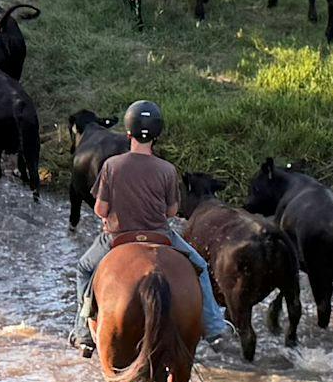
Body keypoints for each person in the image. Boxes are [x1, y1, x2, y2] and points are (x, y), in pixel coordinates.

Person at [71, 101, 228, 349]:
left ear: (128, 132)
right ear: (157, 135)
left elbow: (100, 209)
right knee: (199, 265)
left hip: (117, 237)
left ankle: (83, 332)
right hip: (159, 236)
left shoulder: (112, 166)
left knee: (84, 268)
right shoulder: (167, 169)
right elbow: (171, 212)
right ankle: (214, 328)